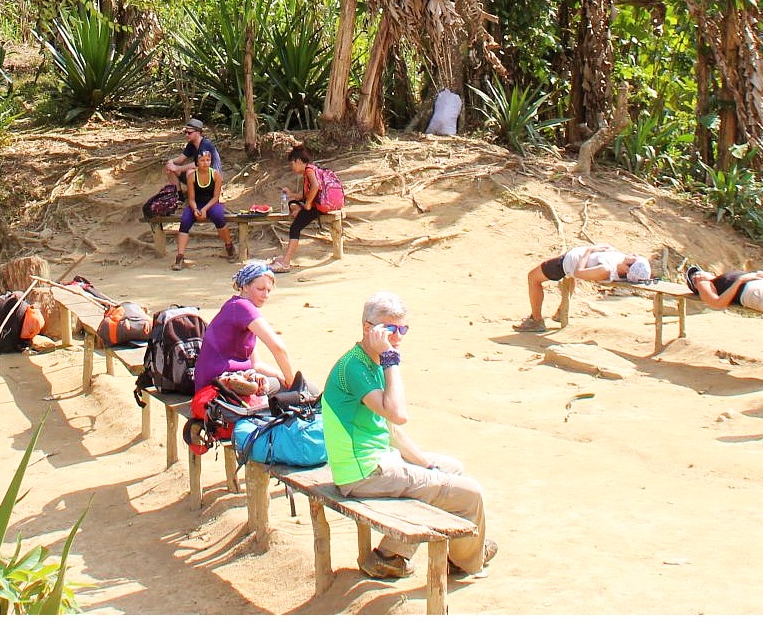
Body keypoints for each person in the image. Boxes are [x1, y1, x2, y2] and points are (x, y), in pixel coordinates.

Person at [322, 290, 497, 582]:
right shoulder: (357, 366)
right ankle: (467, 560)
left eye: (403, 329)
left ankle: (392, 556)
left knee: (449, 468)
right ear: (369, 328)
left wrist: (426, 465)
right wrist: (391, 360)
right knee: (471, 494)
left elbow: (391, 430)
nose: (398, 336)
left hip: (375, 462)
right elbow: (398, 414)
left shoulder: (368, 360)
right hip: (363, 472)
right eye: (391, 329)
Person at [193, 262, 299, 397]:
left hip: (210, 382)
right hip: (215, 384)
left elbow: (257, 365)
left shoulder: (234, 306)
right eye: (260, 289)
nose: (265, 295)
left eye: (269, 290)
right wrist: (293, 384)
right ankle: (234, 385)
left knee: (276, 382)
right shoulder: (242, 307)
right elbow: (278, 348)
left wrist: (280, 375)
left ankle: (240, 385)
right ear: (244, 286)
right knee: (307, 390)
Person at [516, 244, 652, 330]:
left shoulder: (605, 270)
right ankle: (561, 312)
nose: (633, 255)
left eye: (634, 260)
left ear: (628, 269)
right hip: (570, 259)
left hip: (566, 265)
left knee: (533, 278)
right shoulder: (621, 263)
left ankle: (536, 320)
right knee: (567, 279)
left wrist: (589, 250)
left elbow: (578, 273)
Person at [270, 144, 332, 273]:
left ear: (298, 161)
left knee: (295, 228)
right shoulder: (310, 171)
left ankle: (286, 263)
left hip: (317, 206)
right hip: (317, 204)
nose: (292, 167)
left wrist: (308, 203)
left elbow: (315, 187)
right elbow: (303, 195)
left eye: (292, 164)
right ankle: (285, 259)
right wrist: (291, 194)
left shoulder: (309, 171)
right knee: (292, 203)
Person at [173, 145, 235, 270]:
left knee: (219, 217)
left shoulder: (216, 175)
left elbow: (216, 197)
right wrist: (196, 209)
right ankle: (180, 256)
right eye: (202, 160)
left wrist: (205, 209)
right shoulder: (192, 176)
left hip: (212, 203)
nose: (205, 163)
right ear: (197, 162)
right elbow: (191, 198)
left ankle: (229, 246)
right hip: (196, 204)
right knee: (185, 221)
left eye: (208, 160)